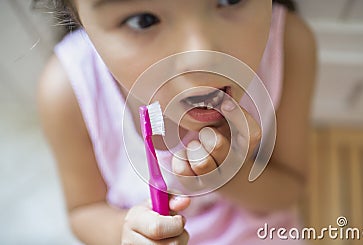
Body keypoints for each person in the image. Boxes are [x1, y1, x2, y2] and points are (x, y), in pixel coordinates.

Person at [37, 0, 316, 244]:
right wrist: (126, 234)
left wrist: (229, 175)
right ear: (77, 16)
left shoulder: (289, 44)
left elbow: (288, 190)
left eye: (230, 0)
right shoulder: (68, 92)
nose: (201, 57)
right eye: (143, 20)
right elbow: (83, 212)